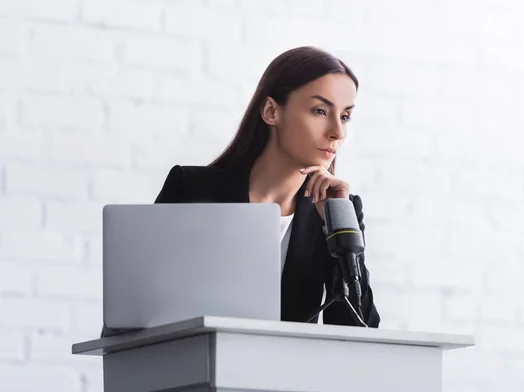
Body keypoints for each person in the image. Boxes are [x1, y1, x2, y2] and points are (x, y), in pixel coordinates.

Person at [101, 46, 380, 338]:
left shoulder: (338, 210)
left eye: (345, 116)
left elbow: (358, 331)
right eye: (320, 111)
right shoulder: (193, 189)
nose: (337, 132)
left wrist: (339, 227)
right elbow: (130, 318)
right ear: (272, 111)